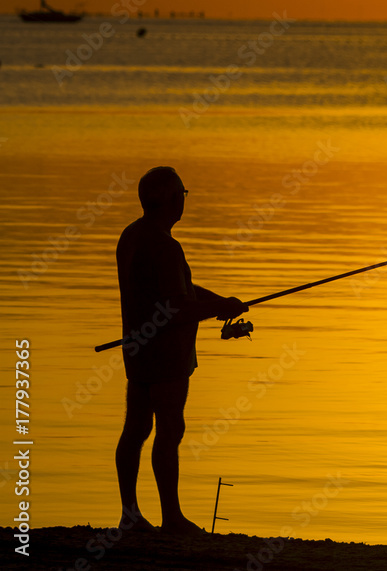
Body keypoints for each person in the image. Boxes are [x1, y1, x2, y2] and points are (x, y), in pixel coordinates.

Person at [115, 166, 248, 535]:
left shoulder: (132, 236)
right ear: (174, 200)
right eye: (182, 194)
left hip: (137, 350)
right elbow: (178, 308)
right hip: (167, 356)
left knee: (136, 428)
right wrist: (216, 309)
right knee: (170, 429)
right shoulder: (166, 246)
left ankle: (129, 515)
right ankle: (171, 518)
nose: (183, 200)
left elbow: (180, 292)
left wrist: (221, 302)